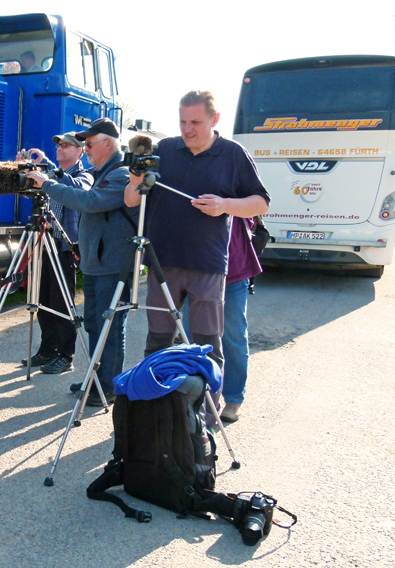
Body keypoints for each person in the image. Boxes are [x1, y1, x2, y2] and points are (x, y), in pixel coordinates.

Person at [123, 90, 269, 419]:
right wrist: (135, 178)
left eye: (196, 122)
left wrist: (225, 206)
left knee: (206, 346)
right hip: (162, 265)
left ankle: (206, 420)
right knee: (158, 343)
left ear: (215, 120)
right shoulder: (165, 150)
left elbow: (261, 202)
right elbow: (132, 201)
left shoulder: (233, 154)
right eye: (182, 121)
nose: (187, 129)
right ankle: (155, 415)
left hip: (208, 266)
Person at [26, 118, 138, 406]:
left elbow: (89, 202)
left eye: (88, 144)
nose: (85, 149)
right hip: (96, 261)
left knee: (109, 326)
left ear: (108, 144)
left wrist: (47, 185)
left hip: (113, 264)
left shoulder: (121, 175)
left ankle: (108, 386)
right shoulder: (103, 172)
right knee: (94, 326)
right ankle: (97, 379)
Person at [19, 133, 92, 374]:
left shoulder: (85, 174)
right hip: (43, 242)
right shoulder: (53, 172)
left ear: (80, 151)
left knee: (62, 303)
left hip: (64, 245)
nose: (59, 149)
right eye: (58, 146)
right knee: (42, 300)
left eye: (65, 146)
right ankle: (47, 349)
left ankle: (66, 355)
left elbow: (76, 186)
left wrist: (49, 171)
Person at [181, 217, 263, 423]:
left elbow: (258, 205)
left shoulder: (235, 185)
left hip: (233, 271)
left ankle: (233, 399)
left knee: (232, 336)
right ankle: (196, 397)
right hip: (195, 270)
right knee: (191, 337)